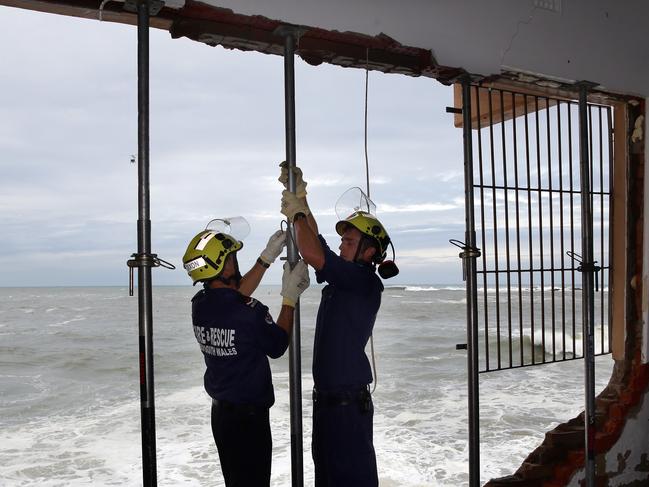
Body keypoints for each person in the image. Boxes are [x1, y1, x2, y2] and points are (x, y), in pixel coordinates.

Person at [279, 164, 393, 487]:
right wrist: (302, 200)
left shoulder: (362, 281)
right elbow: (318, 244)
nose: (342, 244)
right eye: (343, 239)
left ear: (369, 251)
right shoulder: (346, 276)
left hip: (347, 410)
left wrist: (298, 213)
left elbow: (314, 253)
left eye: (350, 240)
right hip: (328, 406)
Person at [182, 227, 310, 487]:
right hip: (249, 422)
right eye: (231, 257)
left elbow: (233, 297)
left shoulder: (201, 305)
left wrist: (266, 258)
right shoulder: (248, 313)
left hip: (221, 417)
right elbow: (277, 345)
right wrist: (290, 297)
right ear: (224, 265)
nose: (234, 261)